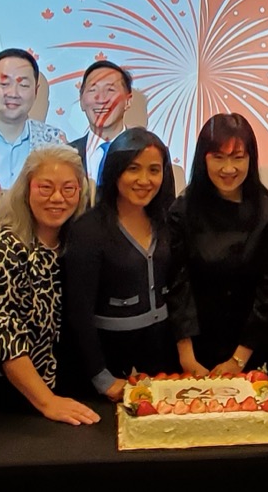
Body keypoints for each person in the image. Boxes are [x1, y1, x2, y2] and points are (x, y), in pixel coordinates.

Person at [0, 146, 99, 426]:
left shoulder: (76, 246)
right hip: (4, 403)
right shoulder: (0, 249)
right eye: (45, 187)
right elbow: (4, 341)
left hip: (61, 391)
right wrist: (47, 402)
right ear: (26, 189)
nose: (57, 198)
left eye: (69, 189)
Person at [62, 128, 178, 401]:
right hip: (108, 362)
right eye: (133, 169)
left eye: (154, 170)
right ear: (115, 171)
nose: (144, 180)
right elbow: (78, 313)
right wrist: (102, 378)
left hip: (161, 358)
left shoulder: (167, 222)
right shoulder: (88, 230)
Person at [168, 114, 268, 376]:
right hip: (193, 347)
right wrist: (187, 357)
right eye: (218, 157)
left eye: (238, 158)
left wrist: (238, 360)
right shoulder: (182, 211)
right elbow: (178, 285)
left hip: (251, 347)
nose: (228, 168)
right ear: (203, 159)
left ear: (251, 160)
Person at [0, 48, 68, 189]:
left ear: (36, 91)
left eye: (24, 85)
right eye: (4, 84)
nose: (13, 93)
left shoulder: (55, 141)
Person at [70, 59, 133, 190]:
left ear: (128, 100)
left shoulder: (147, 153)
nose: (101, 99)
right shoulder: (67, 155)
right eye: (93, 90)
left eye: (110, 90)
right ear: (81, 100)